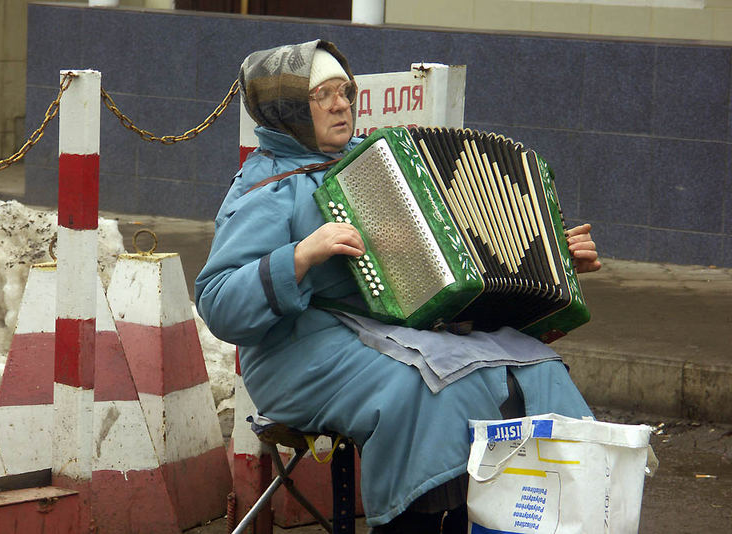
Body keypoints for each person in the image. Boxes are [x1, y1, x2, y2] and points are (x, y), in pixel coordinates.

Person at [196, 40, 601, 533]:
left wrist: (552, 259)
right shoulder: (266, 186)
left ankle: (534, 518)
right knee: (431, 390)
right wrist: (301, 255)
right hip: (299, 353)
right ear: (286, 109)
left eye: (344, 91)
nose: (341, 103)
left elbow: (457, 269)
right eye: (322, 95)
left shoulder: (375, 166)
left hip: (398, 335)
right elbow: (218, 302)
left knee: (531, 370)